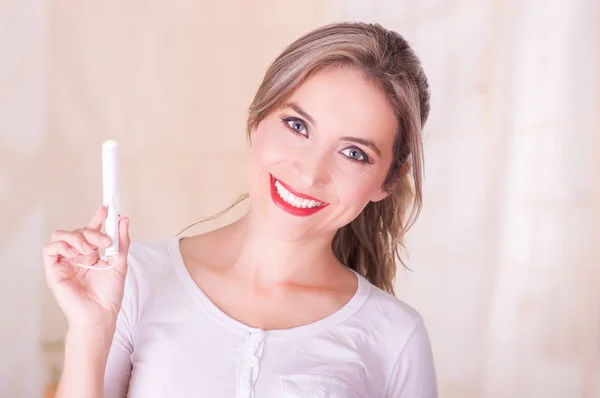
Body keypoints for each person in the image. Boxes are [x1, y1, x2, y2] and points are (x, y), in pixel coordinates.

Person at [42, 22, 437, 398]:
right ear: (257, 119)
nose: (309, 173)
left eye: (354, 153)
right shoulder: (134, 281)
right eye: (298, 126)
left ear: (388, 180)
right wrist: (91, 332)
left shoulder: (396, 337)